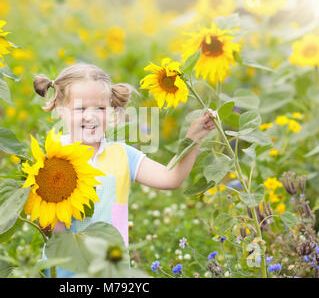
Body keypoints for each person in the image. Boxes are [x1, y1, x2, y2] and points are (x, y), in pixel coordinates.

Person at [34, 62, 216, 277]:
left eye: (100, 108)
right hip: (65, 272)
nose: (90, 116)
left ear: (111, 112)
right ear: (60, 111)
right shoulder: (50, 159)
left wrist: (193, 139)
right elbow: (46, 224)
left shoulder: (122, 155)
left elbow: (170, 178)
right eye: (80, 109)